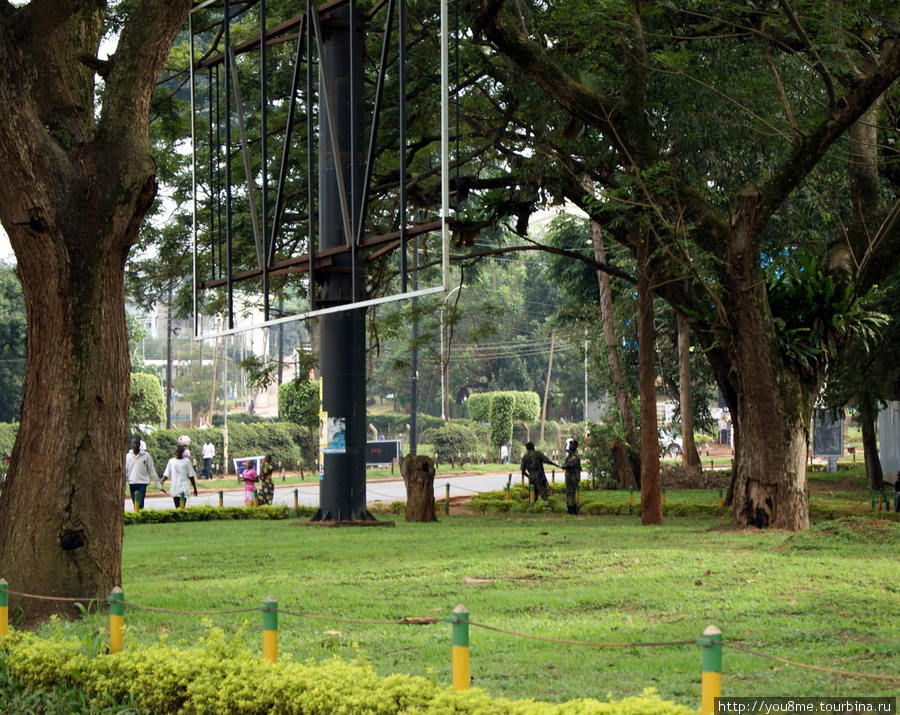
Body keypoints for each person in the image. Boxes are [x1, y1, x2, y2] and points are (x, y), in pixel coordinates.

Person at [125, 436, 161, 510]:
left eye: (137, 443)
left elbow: (152, 470)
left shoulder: (146, 456)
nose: (135, 445)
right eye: (133, 443)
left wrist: (158, 485)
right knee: (135, 503)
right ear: (131, 444)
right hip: (132, 483)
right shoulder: (128, 456)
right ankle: (137, 517)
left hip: (142, 483)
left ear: (139, 444)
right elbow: (125, 471)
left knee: (140, 503)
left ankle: (140, 517)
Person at [161, 444, 198, 508]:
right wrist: (162, 482)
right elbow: (167, 474)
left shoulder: (187, 461)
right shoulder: (171, 461)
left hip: (184, 487)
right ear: (174, 452)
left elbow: (191, 476)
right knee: (177, 507)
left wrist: (195, 488)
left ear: (182, 452)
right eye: (176, 452)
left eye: (180, 452)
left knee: (182, 507)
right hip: (175, 487)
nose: (178, 453)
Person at [561, 438, 582, 515]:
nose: (569, 446)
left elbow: (569, 465)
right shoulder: (571, 455)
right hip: (570, 477)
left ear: (575, 446)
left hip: (573, 478)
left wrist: (564, 466)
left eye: (571, 445)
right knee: (569, 492)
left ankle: (572, 509)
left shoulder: (574, 456)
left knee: (571, 493)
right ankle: (570, 508)